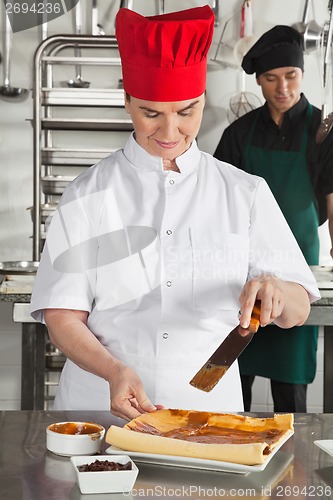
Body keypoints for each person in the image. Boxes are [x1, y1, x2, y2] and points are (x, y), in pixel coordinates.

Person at [30, 8, 319, 421]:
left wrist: (276, 290)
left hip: (207, 412)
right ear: (127, 101)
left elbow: (298, 309)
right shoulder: (88, 193)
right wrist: (114, 370)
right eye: (151, 113)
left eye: (186, 112)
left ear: (202, 101)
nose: (169, 133)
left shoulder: (245, 192)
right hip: (100, 410)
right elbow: (62, 314)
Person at [214, 25, 333, 413]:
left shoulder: (324, 132)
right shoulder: (238, 134)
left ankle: (291, 474)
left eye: (291, 76)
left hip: (298, 276)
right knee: (234, 385)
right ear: (259, 82)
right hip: (243, 275)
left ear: (302, 75)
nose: (282, 87)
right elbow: (214, 207)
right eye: (271, 78)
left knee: (291, 396)